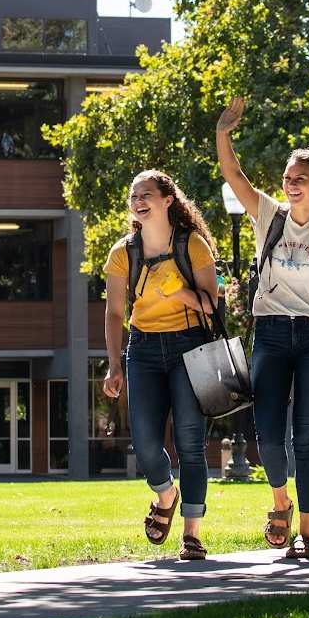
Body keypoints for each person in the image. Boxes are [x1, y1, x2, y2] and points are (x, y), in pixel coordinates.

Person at [215, 96, 309, 560]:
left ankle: (308, 533)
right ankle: (281, 503)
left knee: (306, 436)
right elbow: (234, 176)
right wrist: (223, 133)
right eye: (287, 179)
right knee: (269, 434)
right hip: (272, 333)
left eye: (300, 179)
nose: (291, 185)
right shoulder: (268, 215)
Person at [98, 169, 221, 560]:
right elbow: (115, 313)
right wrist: (114, 364)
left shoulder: (193, 245)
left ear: (168, 200)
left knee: (190, 442)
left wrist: (177, 290)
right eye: (133, 195)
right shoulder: (123, 253)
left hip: (190, 348)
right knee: (147, 442)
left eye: (146, 194)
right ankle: (166, 493)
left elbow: (211, 306)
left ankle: (193, 533)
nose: (138, 201)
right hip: (145, 349)